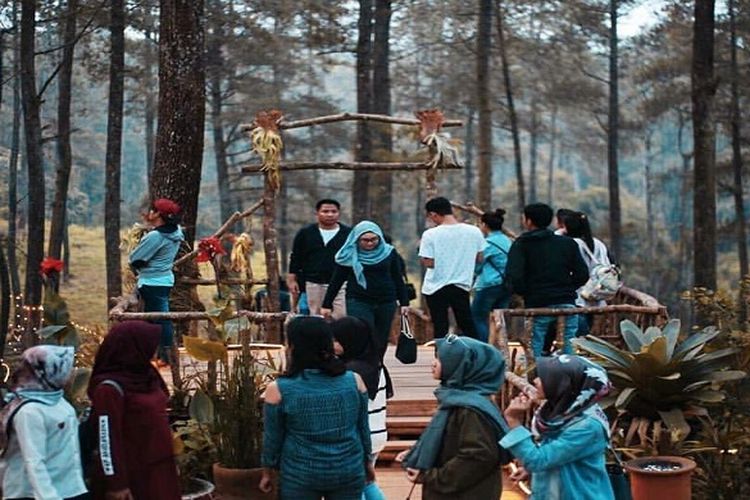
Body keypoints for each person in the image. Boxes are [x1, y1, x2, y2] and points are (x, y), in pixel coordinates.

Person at [260, 317, 373, 500]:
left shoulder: (278, 389)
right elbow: (363, 429)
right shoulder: (354, 381)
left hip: (299, 474)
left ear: (293, 347)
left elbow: (273, 439)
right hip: (348, 469)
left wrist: (268, 471)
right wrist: (367, 462)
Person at [398, 334, 508, 499]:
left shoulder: (471, 410)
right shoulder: (456, 399)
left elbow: (478, 456)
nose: (433, 363)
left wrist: (432, 477)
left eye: (441, 359)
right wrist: (417, 453)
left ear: (461, 366)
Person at [500, 354, 615, 500]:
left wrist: (513, 421)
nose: (536, 381)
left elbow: (538, 460)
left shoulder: (587, 427)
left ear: (565, 385)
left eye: (545, 378)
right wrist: (532, 471)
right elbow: (556, 455)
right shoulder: (564, 411)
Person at [88, 321, 181, 500]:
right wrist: (117, 484)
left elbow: (162, 404)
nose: (155, 350)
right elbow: (107, 437)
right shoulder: (108, 389)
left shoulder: (147, 373)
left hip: (160, 466)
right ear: (133, 348)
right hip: (134, 474)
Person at [0, 345, 88, 500]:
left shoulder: (58, 400)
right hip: (33, 494)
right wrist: (49, 496)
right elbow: (34, 460)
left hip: (69, 489)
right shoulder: (30, 411)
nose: (68, 374)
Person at [504, 203, 589, 356]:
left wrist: (526, 292)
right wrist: (567, 288)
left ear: (529, 221)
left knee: (535, 342)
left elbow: (514, 276)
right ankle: (570, 368)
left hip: (537, 302)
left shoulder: (522, 244)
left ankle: (535, 370)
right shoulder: (567, 243)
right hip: (566, 301)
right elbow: (582, 274)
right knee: (569, 341)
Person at [321, 221, 409, 358]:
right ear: (356, 239)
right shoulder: (348, 255)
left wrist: (404, 302)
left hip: (386, 300)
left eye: (374, 239)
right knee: (363, 333)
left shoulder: (389, 252)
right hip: (358, 299)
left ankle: (377, 364)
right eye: (365, 240)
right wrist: (327, 304)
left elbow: (397, 278)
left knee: (381, 337)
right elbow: (337, 280)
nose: (370, 243)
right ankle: (363, 363)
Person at [331, 317, 390, 500]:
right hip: (377, 433)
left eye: (336, 340)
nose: (332, 345)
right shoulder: (376, 365)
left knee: (353, 486)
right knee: (366, 482)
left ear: (350, 340)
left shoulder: (352, 372)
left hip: (361, 436)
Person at [419, 197, 485, 339]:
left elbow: (428, 262)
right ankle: (474, 350)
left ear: (433, 214)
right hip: (461, 284)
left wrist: (444, 260)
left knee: (440, 325)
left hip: (435, 285)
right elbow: (480, 258)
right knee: (466, 323)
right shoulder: (474, 231)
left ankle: (442, 352)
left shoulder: (430, 234)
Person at [128, 198, 184, 365]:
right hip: (164, 279)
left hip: (152, 281)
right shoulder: (176, 232)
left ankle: (166, 357)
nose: (149, 213)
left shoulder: (156, 236)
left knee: (160, 319)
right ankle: (162, 355)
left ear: (158, 214)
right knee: (159, 318)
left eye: (152, 210)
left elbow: (135, 259)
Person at [287, 199, 351, 317]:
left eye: (334, 211)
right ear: (317, 213)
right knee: (316, 316)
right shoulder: (305, 233)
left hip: (342, 283)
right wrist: (292, 279)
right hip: (313, 282)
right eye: (325, 211)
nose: (330, 215)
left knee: (340, 316)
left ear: (339, 213)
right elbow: (296, 257)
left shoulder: (348, 234)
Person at [564, 211, 614, 335]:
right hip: (596, 291)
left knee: (577, 328)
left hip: (579, 294)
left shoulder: (572, 243)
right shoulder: (598, 244)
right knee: (587, 324)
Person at [471, 208, 513, 343]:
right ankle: (501, 346)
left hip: (488, 285)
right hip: (506, 285)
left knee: (478, 317)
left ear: (484, 225)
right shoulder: (507, 241)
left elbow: (478, 266)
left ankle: (482, 348)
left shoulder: (488, 243)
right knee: (499, 318)